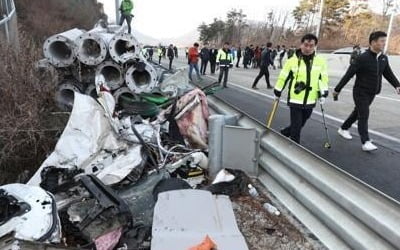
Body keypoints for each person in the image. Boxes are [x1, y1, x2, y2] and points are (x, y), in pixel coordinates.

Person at [333, 31, 400, 151]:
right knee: (364, 114)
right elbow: (348, 74)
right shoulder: (362, 58)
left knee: (357, 113)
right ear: (373, 42)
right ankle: (365, 141)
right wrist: (337, 89)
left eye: (385, 41)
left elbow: (388, 73)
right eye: (382, 41)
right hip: (360, 92)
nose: (384, 43)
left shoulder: (383, 58)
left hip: (372, 92)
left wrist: (397, 85)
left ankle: (343, 128)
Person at [274, 34, 329, 144]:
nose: (308, 48)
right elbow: (283, 76)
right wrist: (278, 90)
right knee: (296, 126)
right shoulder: (292, 61)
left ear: (315, 46)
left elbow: (323, 78)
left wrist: (323, 93)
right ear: (301, 44)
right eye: (306, 45)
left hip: (310, 99)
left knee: (302, 122)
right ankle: (295, 149)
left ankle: (286, 131)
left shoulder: (320, 61)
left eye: (311, 46)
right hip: (295, 98)